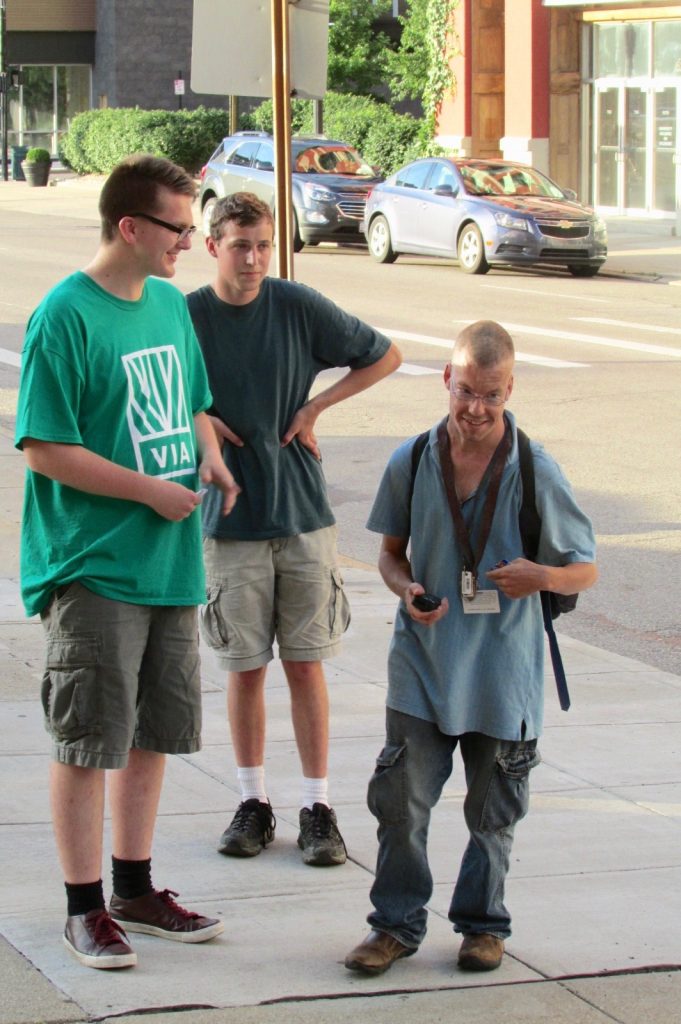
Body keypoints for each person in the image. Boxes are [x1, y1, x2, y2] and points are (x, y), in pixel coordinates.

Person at [15, 155, 240, 970]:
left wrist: (209, 454)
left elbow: (193, 403)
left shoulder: (169, 308)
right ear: (130, 228)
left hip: (170, 563)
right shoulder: (64, 316)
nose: (191, 240)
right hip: (95, 564)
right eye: (179, 228)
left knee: (152, 735)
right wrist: (149, 492)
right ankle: (84, 909)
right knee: (87, 741)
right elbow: (43, 449)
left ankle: (134, 890)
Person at [345, 320, 597, 976]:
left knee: (494, 811)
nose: (475, 408)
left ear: (508, 388)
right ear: (446, 381)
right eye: (465, 392)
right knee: (399, 799)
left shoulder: (536, 469)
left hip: (502, 671)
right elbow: (389, 556)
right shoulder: (412, 458)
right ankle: (394, 926)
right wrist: (405, 591)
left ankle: (482, 925)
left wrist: (540, 577)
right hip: (422, 664)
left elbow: (584, 569)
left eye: (490, 395)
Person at [187, 192, 401, 867]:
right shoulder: (184, 315)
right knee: (243, 668)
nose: (251, 260)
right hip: (228, 522)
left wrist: (315, 408)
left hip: (304, 519)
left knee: (306, 667)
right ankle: (252, 803)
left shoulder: (295, 305)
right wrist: (198, 419)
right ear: (211, 245)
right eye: (238, 245)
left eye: (262, 246)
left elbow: (383, 356)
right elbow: (151, 385)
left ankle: (318, 807)